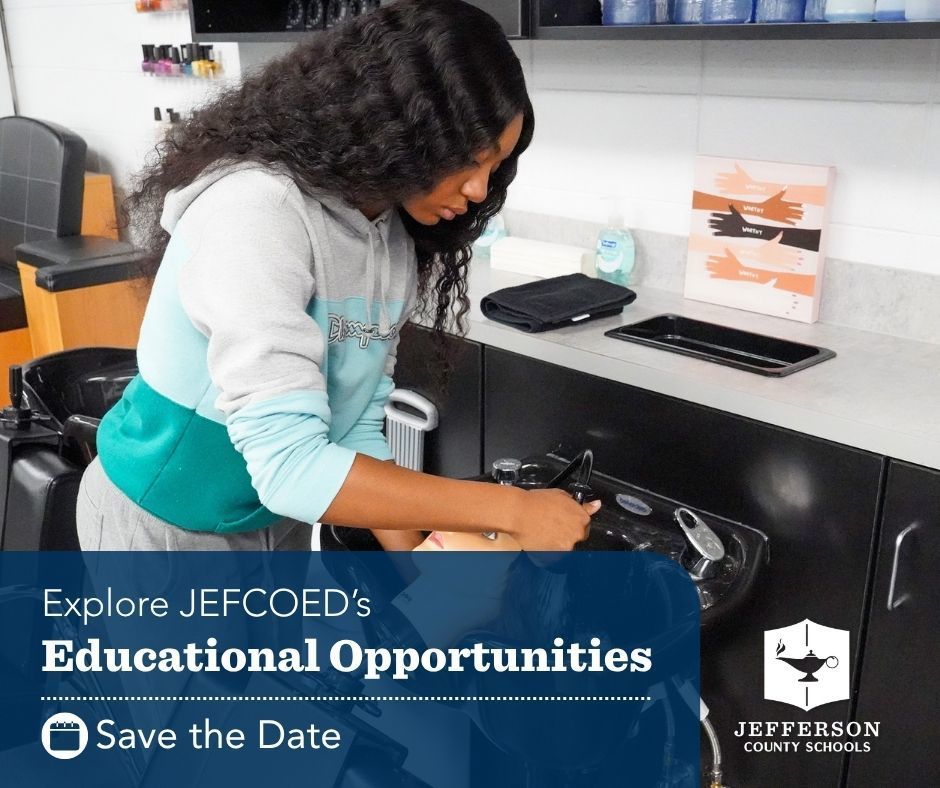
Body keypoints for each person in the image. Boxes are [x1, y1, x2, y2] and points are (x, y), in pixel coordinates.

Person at [77, 0, 600, 554]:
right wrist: (513, 509)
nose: (478, 191)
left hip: (270, 521)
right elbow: (292, 467)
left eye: (495, 169)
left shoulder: (389, 236)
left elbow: (353, 429)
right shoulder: (257, 211)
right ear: (404, 128)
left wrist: (420, 573)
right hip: (162, 526)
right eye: (470, 160)